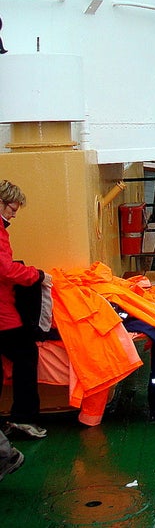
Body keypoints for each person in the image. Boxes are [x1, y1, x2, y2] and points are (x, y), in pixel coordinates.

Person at [0, 180, 51, 439]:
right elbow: (5, 269)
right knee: (25, 354)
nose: (14, 214)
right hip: (2, 314)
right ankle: (23, 418)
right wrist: (36, 275)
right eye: (12, 208)